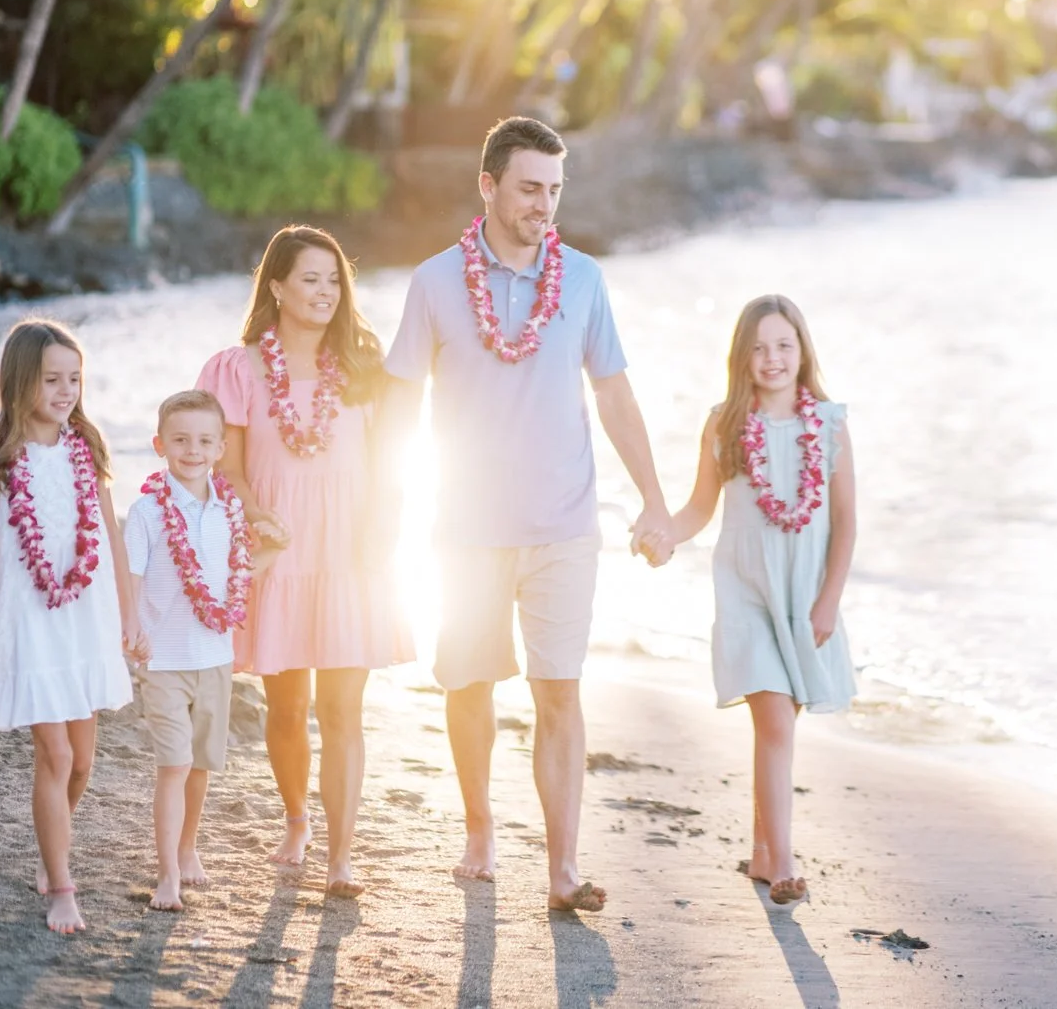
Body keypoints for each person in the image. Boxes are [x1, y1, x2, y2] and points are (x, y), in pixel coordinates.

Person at [384, 115, 675, 913]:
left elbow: (612, 391)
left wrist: (653, 498)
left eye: (554, 189)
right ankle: (479, 827)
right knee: (469, 684)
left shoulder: (582, 279)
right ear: (487, 186)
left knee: (559, 691)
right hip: (466, 528)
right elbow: (400, 403)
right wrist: (381, 510)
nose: (543, 204)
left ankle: (562, 868)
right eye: (528, 188)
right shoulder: (435, 282)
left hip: (563, 526)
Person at [199, 226, 412, 897]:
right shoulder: (236, 370)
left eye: (334, 281)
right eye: (311, 279)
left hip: (351, 555)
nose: (325, 292)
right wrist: (254, 516)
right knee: (286, 708)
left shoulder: (365, 369)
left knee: (343, 710)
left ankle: (341, 857)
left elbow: (393, 464)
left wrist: (386, 528)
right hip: (279, 556)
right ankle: (297, 817)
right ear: (278, 287)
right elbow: (224, 469)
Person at [0, 318, 140, 934]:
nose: (66, 390)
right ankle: (61, 884)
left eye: (74, 379)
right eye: (52, 379)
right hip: (32, 624)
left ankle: (52, 844)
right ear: (20, 382)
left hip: (87, 620)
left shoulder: (89, 455)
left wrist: (130, 613)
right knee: (52, 754)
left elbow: (111, 537)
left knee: (81, 762)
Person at [665, 294, 857, 908]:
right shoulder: (725, 423)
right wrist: (663, 533)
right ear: (740, 356)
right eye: (758, 347)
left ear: (802, 352)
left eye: (783, 345)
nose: (771, 358)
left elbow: (847, 524)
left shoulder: (827, 424)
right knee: (773, 720)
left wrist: (828, 601)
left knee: (779, 726)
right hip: (745, 590)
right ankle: (785, 867)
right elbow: (699, 507)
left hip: (804, 597)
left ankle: (760, 851)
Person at [123, 389, 274, 912]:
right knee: (174, 763)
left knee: (202, 763)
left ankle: (188, 848)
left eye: (205, 440)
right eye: (181, 439)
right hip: (163, 660)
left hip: (215, 656)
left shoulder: (229, 510)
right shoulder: (145, 512)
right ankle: (166, 875)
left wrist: (272, 545)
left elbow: (238, 572)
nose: (193, 449)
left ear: (220, 446)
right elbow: (133, 578)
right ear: (159, 443)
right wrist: (131, 630)